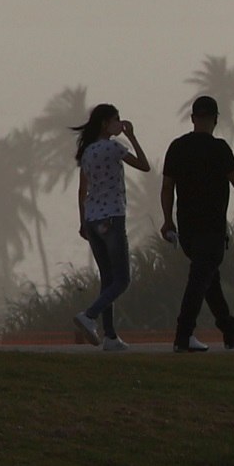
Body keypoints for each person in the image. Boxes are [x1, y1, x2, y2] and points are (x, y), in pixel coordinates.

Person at [160, 94, 234, 352]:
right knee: (199, 282)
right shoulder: (219, 149)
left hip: (188, 232)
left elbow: (167, 187)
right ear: (215, 120)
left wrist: (168, 220)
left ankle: (230, 330)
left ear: (193, 118)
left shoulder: (177, 147)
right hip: (212, 229)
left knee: (208, 281)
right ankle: (183, 337)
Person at [69, 103, 147, 349]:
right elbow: (144, 165)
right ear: (105, 123)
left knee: (108, 279)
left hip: (93, 220)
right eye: (116, 120)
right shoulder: (114, 147)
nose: (120, 124)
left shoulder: (87, 152)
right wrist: (132, 136)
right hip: (112, 217)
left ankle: (110, 336)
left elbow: (82, 191)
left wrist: (82, 221)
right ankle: (89, 315)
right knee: (122, 280)